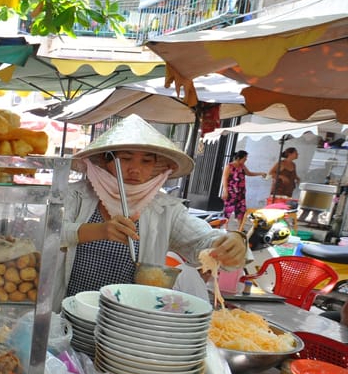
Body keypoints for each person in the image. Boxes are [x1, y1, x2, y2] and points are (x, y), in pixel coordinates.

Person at [57, 115, 248, 302]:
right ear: (105, 161)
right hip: (70, 310)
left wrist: (230, 242)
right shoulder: (74, 196)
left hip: (131, 319)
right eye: (125, 158)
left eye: (146, 161)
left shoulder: (166, 209)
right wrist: (95, 231)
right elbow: (43, 235)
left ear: (156, 166)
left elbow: (201, 241)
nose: (135, 169)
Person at [220, 150, 266, 221]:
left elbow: (249, 173)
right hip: (231, 192)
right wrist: (225, 191)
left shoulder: (242, 166)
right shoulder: (229, 166)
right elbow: (224, 179)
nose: (246, 160)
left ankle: (240, 228)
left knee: (241, 210)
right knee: (228, 209)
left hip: (241, 191)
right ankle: (225, 226)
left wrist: (260, 173)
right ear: (238, 158)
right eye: (245, 158)